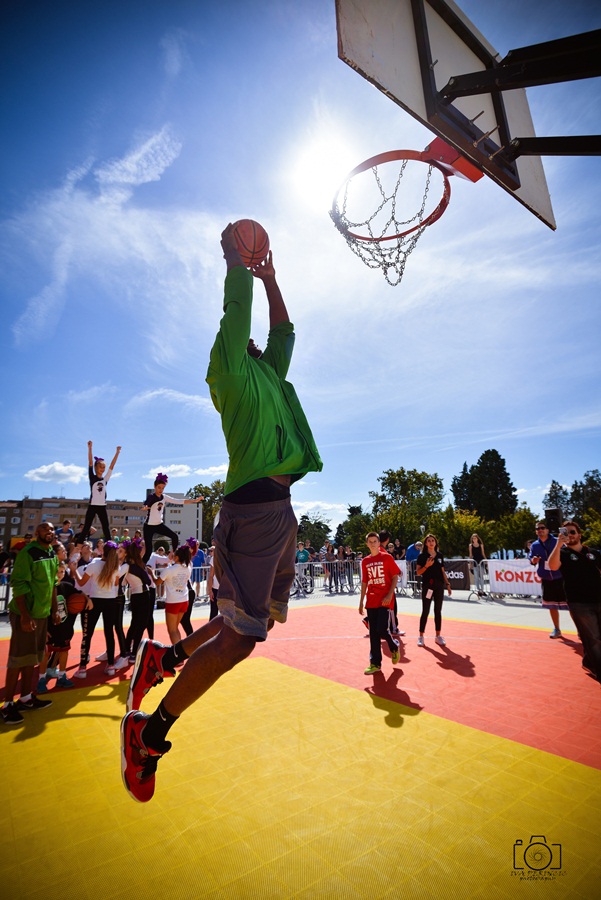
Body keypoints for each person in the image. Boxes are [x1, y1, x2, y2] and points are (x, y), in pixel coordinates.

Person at [120, 224, 322, 802]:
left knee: (243, 619)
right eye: (244, 340)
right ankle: (149, 732)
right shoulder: (230, 372)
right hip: (256, 509)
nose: (254, 342)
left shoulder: (268, 373)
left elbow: (282, 330)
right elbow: (239, 312)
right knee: (242, 636)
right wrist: (238, 258)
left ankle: (168, 653)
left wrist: (273, 277)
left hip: (277, 509)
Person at [2, 522, 57, 725]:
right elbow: (18, 584)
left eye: (51, 529)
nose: (49, 532)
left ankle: (25, 697)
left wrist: (54, 611)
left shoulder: (51, 552)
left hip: (42, 614)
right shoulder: (28, 553)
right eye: (44, 529)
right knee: (18, 658)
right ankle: (7, 705)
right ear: (37, 533)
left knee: (32, 657)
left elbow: (53, 584)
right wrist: (25, 615)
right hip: (26, 614)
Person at [548, 521, 601, 681]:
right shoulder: (562, 553)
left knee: (595, 636)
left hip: (598, 599)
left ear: (579, 535)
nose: (569, 535)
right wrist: (558, 545)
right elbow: (552, 566)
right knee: (593, 638)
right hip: (579, 603)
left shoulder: (593, 553)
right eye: (566, 533)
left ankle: (588, 662)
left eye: (572, 532)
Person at [72, 541, 128, 678]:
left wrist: (73, 570)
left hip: (95, 601)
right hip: (110, 601)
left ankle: (83, 667)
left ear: (103, 551)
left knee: (88, 633)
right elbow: (116, 583)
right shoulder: (116, 567)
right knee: (109, 633)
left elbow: (81, 582)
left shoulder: (94, 565)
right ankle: (110, 666)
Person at [358, 532, 400, 675]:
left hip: (385, 599)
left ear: (378, 542)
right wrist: (361, 601)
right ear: (367, 544)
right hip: (371, 600)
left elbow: (395, 576)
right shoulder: (365, 561)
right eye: (370, 541)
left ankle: (393, 646)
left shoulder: (387, 557)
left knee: (381, 628)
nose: (373, 543)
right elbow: (364, 582)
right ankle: (375, 663)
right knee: (373, 633)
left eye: (375, 541)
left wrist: (389, 594)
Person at [141, 474, 203, 563]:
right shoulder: (151, 497)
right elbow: (147, 503)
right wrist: (145, 507)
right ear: (155, 487)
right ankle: (140, 568)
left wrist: (194, 501)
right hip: (149, 527)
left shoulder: (164, 497)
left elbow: (179, 501)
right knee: (149, 551)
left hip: (159, 525)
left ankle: (173, 553)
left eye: (162, 488)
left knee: (174, 536)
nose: (160, 490)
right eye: (159, 488)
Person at [529, 521, 569, 638]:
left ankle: (580, 630)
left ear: (547, 530)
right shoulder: (535, 545)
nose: (540, 530)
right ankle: (557, 629)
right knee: (551, 606)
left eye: (542, 528)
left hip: (561, 577)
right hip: (546, 579)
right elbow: (531, 559)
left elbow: (568, 550)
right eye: (537, 529)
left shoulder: (557, 541)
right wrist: (534, 560)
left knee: (570, 605)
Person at [77, 441, 121, 542]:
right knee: (87, 526)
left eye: (104, 467)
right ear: (96, 468)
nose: (103, 469)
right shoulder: (92, 478)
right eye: (101, 467)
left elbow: (112, 466)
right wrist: (90, 448)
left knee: (106, 526)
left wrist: (117, 452)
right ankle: (78, 544)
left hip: (102, 506)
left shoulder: (105, 479)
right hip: (92, 505)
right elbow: (90, 463)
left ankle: (110, 545)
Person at [416, 534, 452, 647]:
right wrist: (426, 565)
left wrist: (448, 584)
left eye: (433, 540)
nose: (431, 542)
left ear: (435, 543)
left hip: (439, 586)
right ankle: (421, 636)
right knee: (425, 611)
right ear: (426, 543)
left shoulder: (440, 555)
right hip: (428, 586)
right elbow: (418, 572)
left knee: (438, 611)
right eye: (429, 541)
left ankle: (438, 636)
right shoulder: (422, 556)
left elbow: (442, 571)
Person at [154, 545, 193, 644]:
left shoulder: (169, 570)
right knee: (175, 628)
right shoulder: (188, 567)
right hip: (184, 600)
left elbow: (157, 582)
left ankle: (177, 655)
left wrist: (151, 573)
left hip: (173, 602)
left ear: (176, 557)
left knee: (172, 630)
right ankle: (179, 651)